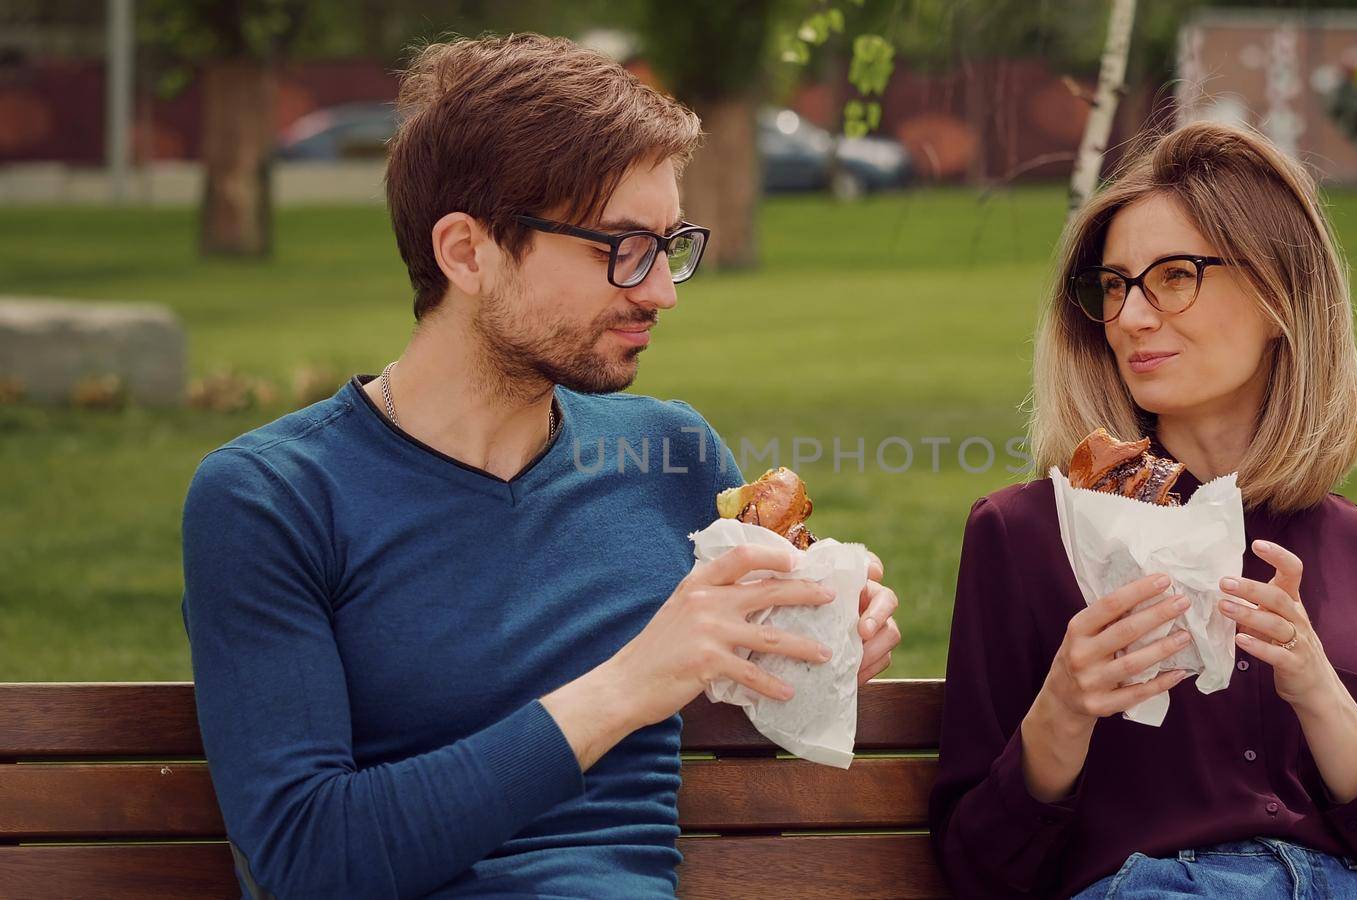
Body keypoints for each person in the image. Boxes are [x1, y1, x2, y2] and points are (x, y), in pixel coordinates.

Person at [181, 34, 900, 899]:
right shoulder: (272, 499)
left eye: (669, 245)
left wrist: (816, 648)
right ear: (467, 253)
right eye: (622, 248)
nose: (662, 291)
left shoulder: (670, 457)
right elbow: (308, 859)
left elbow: (728, 685)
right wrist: (630, 683)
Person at [929, 121, 1357, 899]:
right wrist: (1062, 711)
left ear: (1279, 292)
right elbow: (977, 874)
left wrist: (1323, 694)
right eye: (1114, 285)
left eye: (1174, 276)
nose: (1130, 317)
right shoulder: (1028, 537)